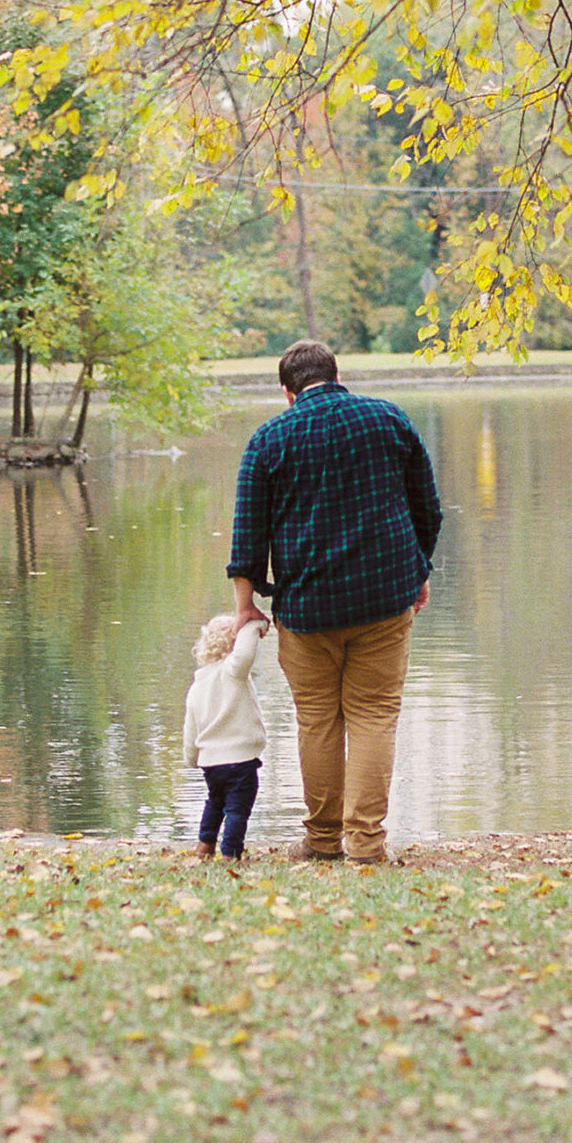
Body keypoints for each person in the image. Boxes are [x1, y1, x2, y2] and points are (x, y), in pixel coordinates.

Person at [226, 338, 441, 867]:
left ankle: (323, 841)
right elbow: (428, 508)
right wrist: (419, 570)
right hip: (383, 599)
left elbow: (247, 535)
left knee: (318, 720)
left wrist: (245, 605)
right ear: (336, 375)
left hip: (307, 608)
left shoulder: (269, 438)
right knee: (373, 714)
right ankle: (366, 844)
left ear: (286, 390)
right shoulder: (387, 419)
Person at [182, 612, 268, 864]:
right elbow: (244, 655)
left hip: (211, 762)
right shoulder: (232, 672)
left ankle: (205, 844)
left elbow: (191, 728)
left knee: (215, 802)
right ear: (235, 643)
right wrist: (253, 624)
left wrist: (191, 758)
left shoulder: (197, 686)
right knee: (237, 809)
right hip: (239, 759)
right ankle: (230, 853)